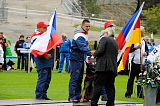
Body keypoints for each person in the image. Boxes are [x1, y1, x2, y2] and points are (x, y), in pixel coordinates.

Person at [91, 29, 118, 106]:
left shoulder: (104, 39)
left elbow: (100, 50)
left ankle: (94, 103)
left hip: (103, 67)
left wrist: (94, 53)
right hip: (112, 67)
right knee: (110, 87)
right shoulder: (115, 42)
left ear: (106, 33)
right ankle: (110, 103)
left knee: (97, 86)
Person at [68, 19, 92, 102]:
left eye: (89, 26)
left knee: (79, 78)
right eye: (86, 26)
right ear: (82, 26)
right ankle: (72, 96)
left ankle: (78, 95)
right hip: (76, 59)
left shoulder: (84, 34)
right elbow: (82, 47)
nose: (88, 28)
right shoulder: (79, 35)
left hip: (80, 59)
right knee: (75, 78)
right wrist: (91, 54)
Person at [125, 26, 148, 98]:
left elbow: (147, 50)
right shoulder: (133, 40)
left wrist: (146, 53)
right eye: (143, 31)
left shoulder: (143, 41)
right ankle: (128, 94)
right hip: (134, 62)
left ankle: (140, 94)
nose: (144, 33)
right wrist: (136, 47)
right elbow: (128, 50)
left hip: (141, 63)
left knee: (140, 79)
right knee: (131, 79)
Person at [32, 21, 54, 100]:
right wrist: (45, 54)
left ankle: (43, 94)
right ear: (39, 28)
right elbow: (35, 49)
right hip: (42, 61)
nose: (46, 29)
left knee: (47, 78)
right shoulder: (36, 37)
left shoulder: (43, 35)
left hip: (47, 61)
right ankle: (39, 96)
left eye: (46, 27)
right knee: (42, 78)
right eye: (44, 27)